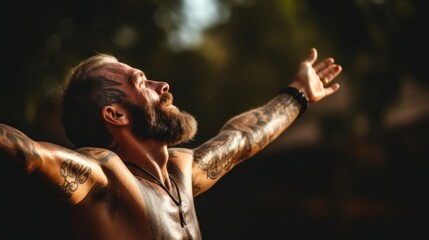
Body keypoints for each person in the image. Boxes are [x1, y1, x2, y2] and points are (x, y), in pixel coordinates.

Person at [0, 48, 342, 240]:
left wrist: (298, 94)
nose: (162, 85)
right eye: (141, 82)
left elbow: (240, 139)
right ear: (116, 115)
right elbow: (30, 155)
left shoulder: (180, 173)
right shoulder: (105, 178)